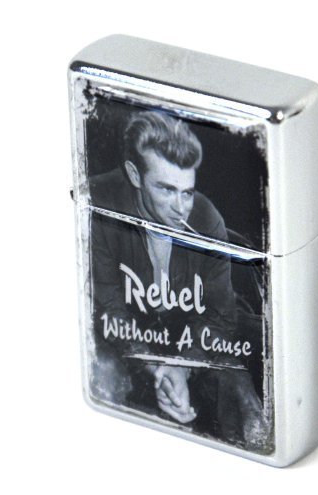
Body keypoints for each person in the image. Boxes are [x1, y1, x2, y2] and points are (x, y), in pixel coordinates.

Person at [88, 110, 267, 448]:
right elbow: (107, 306)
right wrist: (156, 367)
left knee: (247, 376)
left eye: (187, 192)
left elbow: (219, 315)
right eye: (166, 189)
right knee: (104, 373)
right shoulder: (98, 199)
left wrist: (183, 366)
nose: (180, 207)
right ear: (135, 175)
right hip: (121, 335)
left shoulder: (206, 216)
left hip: (187, 331)